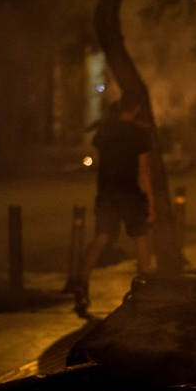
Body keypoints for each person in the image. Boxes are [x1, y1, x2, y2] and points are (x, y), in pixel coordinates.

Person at [73, 93, 155, 316]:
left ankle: (81, 284)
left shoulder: (104, 132)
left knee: (101, 237)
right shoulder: (139, 134)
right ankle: (144, 287)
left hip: (107, 193)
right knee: (141, 237)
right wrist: (151, 202)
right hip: (130, 193)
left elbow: (99, 162)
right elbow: (144, 170)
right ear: (136, 109)